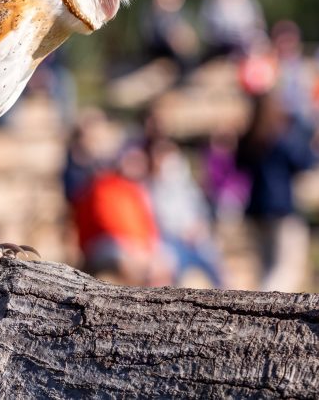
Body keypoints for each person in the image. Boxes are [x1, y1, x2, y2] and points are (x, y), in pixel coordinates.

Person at [237, 91, 316, 292]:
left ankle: (261, 306)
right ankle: (267, 306)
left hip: (256, 209)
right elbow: (305, 161)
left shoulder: (250, 138)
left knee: (266, 267)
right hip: (280, 208)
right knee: (288, 268)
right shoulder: (280, 139)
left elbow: (238, 163)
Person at [71, 143, 170, 286]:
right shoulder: (103, 186)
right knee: (126, 262)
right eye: (132, 161)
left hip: (135, 246)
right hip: (105, 245)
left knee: (163, 263)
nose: (137, 166)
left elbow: (148, 223)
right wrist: (135, 248)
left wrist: (148, 248)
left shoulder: (134, 190)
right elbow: (109, 225)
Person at [144, 112, 224, 287]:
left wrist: (199, 225)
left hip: (195, 234)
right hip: (170, 240)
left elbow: (196, 202)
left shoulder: (182, 180)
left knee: (215, 266)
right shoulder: (150, 188)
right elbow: (158, 216)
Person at [143, 0, 199, 78]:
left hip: (183, 66)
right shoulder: (152, 14)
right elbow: (151, 39)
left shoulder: (185, 13)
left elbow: (194, 41)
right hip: (159, 63)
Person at [200, 0, 265, 60]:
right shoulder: (213, 3)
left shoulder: (250, 2)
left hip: (246, 43)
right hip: (220, 45)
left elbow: (258, 24)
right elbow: (211, 29)